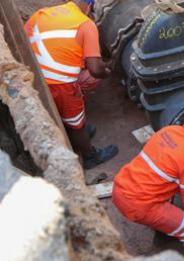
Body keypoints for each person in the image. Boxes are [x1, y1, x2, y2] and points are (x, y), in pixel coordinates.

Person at [112, 102, 184, 261]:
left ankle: (163, 235)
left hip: (121, 187)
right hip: (140, 204)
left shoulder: (168, 131)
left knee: (170, 201)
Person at [24, 0, 118, 169]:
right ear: (90, 6)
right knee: (75, 120)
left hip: (34, 76)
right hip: (58, 84)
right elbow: (95, 69)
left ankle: (75, 127)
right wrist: (107, 72)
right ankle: (90, 155)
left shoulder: (42, 13)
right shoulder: (86, 25)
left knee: (66, 112)